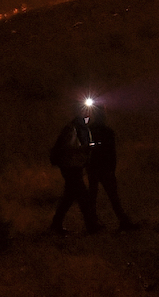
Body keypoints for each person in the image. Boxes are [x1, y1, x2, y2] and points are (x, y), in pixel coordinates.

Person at [49, 101, 102, 235]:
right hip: (71, 167)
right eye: (85, 110)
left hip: (74, 166)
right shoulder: (73, 128)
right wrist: (86, 148)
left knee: (69, 197)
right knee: (83, 197)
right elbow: (68, 148)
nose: (88, 113)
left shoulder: (82, 128)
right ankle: (92, 227)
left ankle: (56, 224)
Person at [87, 104, 136, 231]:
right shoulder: (107, 132)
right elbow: (111, 153)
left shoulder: (90, 130)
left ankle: (92, 224)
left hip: (93, 167)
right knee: (113, 197)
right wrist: (112, 169)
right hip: (104, 168)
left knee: (93, 196)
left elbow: (87, 148)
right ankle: (123, 222)